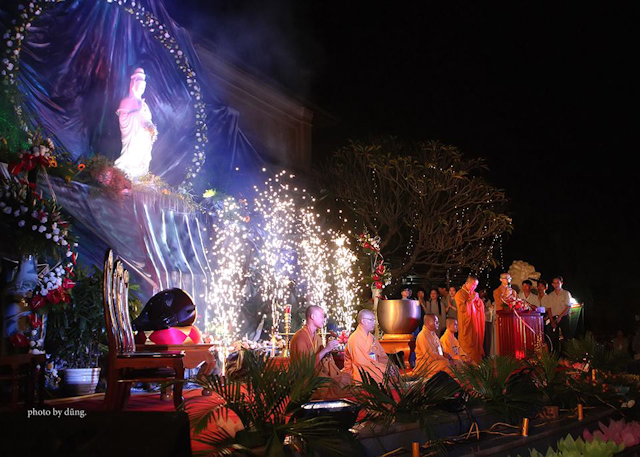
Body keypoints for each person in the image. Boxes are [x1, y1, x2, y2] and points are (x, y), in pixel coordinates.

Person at [290, 305, 352, 399]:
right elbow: (305, 366)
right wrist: (326, 349)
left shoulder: (317, 337)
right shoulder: (300, 337)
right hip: (306, 379)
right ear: (313, 316)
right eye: (322, 316)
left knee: (346, 379)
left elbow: (322, 361)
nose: (324, 319)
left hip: (319, 374)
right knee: (336, 386)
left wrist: (328, 351)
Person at [114, 68, 158, 179]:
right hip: (132, 136)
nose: (142, 89)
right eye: (140, 86)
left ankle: (139, 175)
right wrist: (138, 113)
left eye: (144, 87)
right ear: (133, 84)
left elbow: (148, 119)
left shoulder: (144, 104)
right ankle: (126, 174)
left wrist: (150, 128)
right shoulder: (126, 101)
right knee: (130, 159)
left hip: (142, 137)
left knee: (141, 159)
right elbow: (123, 119)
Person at [343, 309, 389, 384]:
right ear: (363, 321)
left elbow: (382, 355)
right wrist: (382, 368)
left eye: (374, 320)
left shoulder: (371, 337)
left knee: (392, 371)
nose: (374, 322)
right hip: (360, 369)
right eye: (371, 320)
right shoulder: (355, 338)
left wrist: (387, 366)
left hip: (373, 365)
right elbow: (360, 362)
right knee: (377, 375)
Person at [454, 275, 485, 363]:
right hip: (466, 324)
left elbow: (480, 306)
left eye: (476, 286)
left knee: (476, 342)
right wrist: (471, 301)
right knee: (467, 343)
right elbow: (462, 309)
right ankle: (467, 365)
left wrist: (477, 300)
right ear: (467, 283)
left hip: (475, 323)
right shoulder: (460, 294)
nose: (474, 287)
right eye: (473, 285)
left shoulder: (473, 293)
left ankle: (477, 363)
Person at [415, 314, 455, 379]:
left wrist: (446, 355)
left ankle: (450, 373)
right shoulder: (422, 336)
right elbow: (429, 357)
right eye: (436, 322)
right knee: (446, 364)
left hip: (436, 362)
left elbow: (440, 351)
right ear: (427, 322)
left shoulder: (434, 335)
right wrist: (444, 359)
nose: (438, 324)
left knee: (455, 362)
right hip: (426, 365)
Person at [544, 276, 573, 352]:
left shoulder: (566, 293)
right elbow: (549, 309)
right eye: (554, 283)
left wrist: (560, 317)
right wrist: (552, 321)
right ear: (552, 284)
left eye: (558, 283)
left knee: (566, 337)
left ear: (561, 283)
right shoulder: (550, 295)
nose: (556, 285)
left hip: (564, 317)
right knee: (554, 338)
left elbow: (568, 307)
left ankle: (567, 354)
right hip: (553, 318)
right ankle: (555, 355)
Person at [479, 288, 495, 357]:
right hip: (480, 321)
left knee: (487, 337)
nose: (483, 294)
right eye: (482, 292)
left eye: (484, 292)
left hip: (487, 321)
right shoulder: (478, 300)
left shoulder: (488, 301)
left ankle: (487, 353)